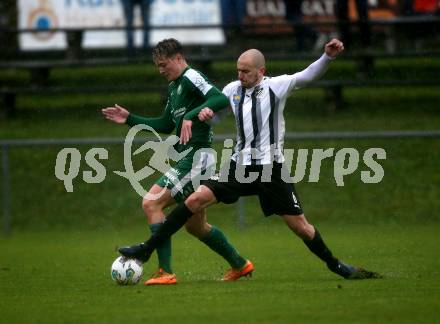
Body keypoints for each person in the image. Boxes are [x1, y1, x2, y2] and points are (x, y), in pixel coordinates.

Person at [118, 38, 381, 280]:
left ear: (261, 71)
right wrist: (207, 114)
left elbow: (308, 75)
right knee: (194, 199)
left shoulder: (277, 87)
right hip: (239, 166)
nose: (240, 76)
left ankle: (337, 266)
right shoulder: (233, 89)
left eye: (245, 71)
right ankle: (146, 249)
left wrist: (327, 57)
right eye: (238, 70)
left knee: (300, 227)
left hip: (270, 169)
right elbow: (216, 105)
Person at [102, 38, 253, 285]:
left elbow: (219, 98)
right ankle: (240, 264)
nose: (161, 70)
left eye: (164, 64)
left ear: (178, 58)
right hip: (192, 160)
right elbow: (165, 124)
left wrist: (192, 116)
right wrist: (130, 118)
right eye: (158, 66)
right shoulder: (174, 88)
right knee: (196, 227)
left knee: (151, 203)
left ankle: (165, 272)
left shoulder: (191, 76)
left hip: (197, 159)